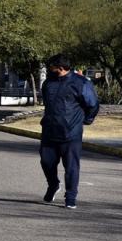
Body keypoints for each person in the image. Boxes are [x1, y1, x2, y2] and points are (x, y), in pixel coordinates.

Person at [40, 54, 99, 209]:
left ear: (60, 67)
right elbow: (47, 104)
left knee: (71, 167)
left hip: (71, 133)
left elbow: (92, 104)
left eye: (51, 66)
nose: (49, 69)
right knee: (46, 162)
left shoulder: (81, 83)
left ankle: (70, 197)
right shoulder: (48, 83)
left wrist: (86, 120)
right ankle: (53, 185)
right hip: (49, 131)